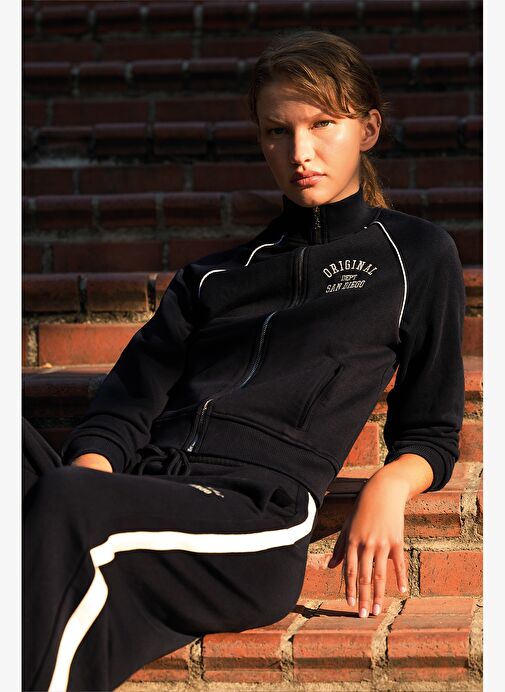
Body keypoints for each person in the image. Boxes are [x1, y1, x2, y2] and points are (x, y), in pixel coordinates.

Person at [22, 28, 466, 691]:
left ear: (368, 129)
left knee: (65, 504)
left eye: (322, 124)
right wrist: (87, 480)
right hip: (138, 491)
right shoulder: (213, 277)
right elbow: (125, 404)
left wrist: (390, 485)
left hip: (252, 514)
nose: (300, 152)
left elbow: (430, 429)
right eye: (277, 132)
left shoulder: (414, 257)